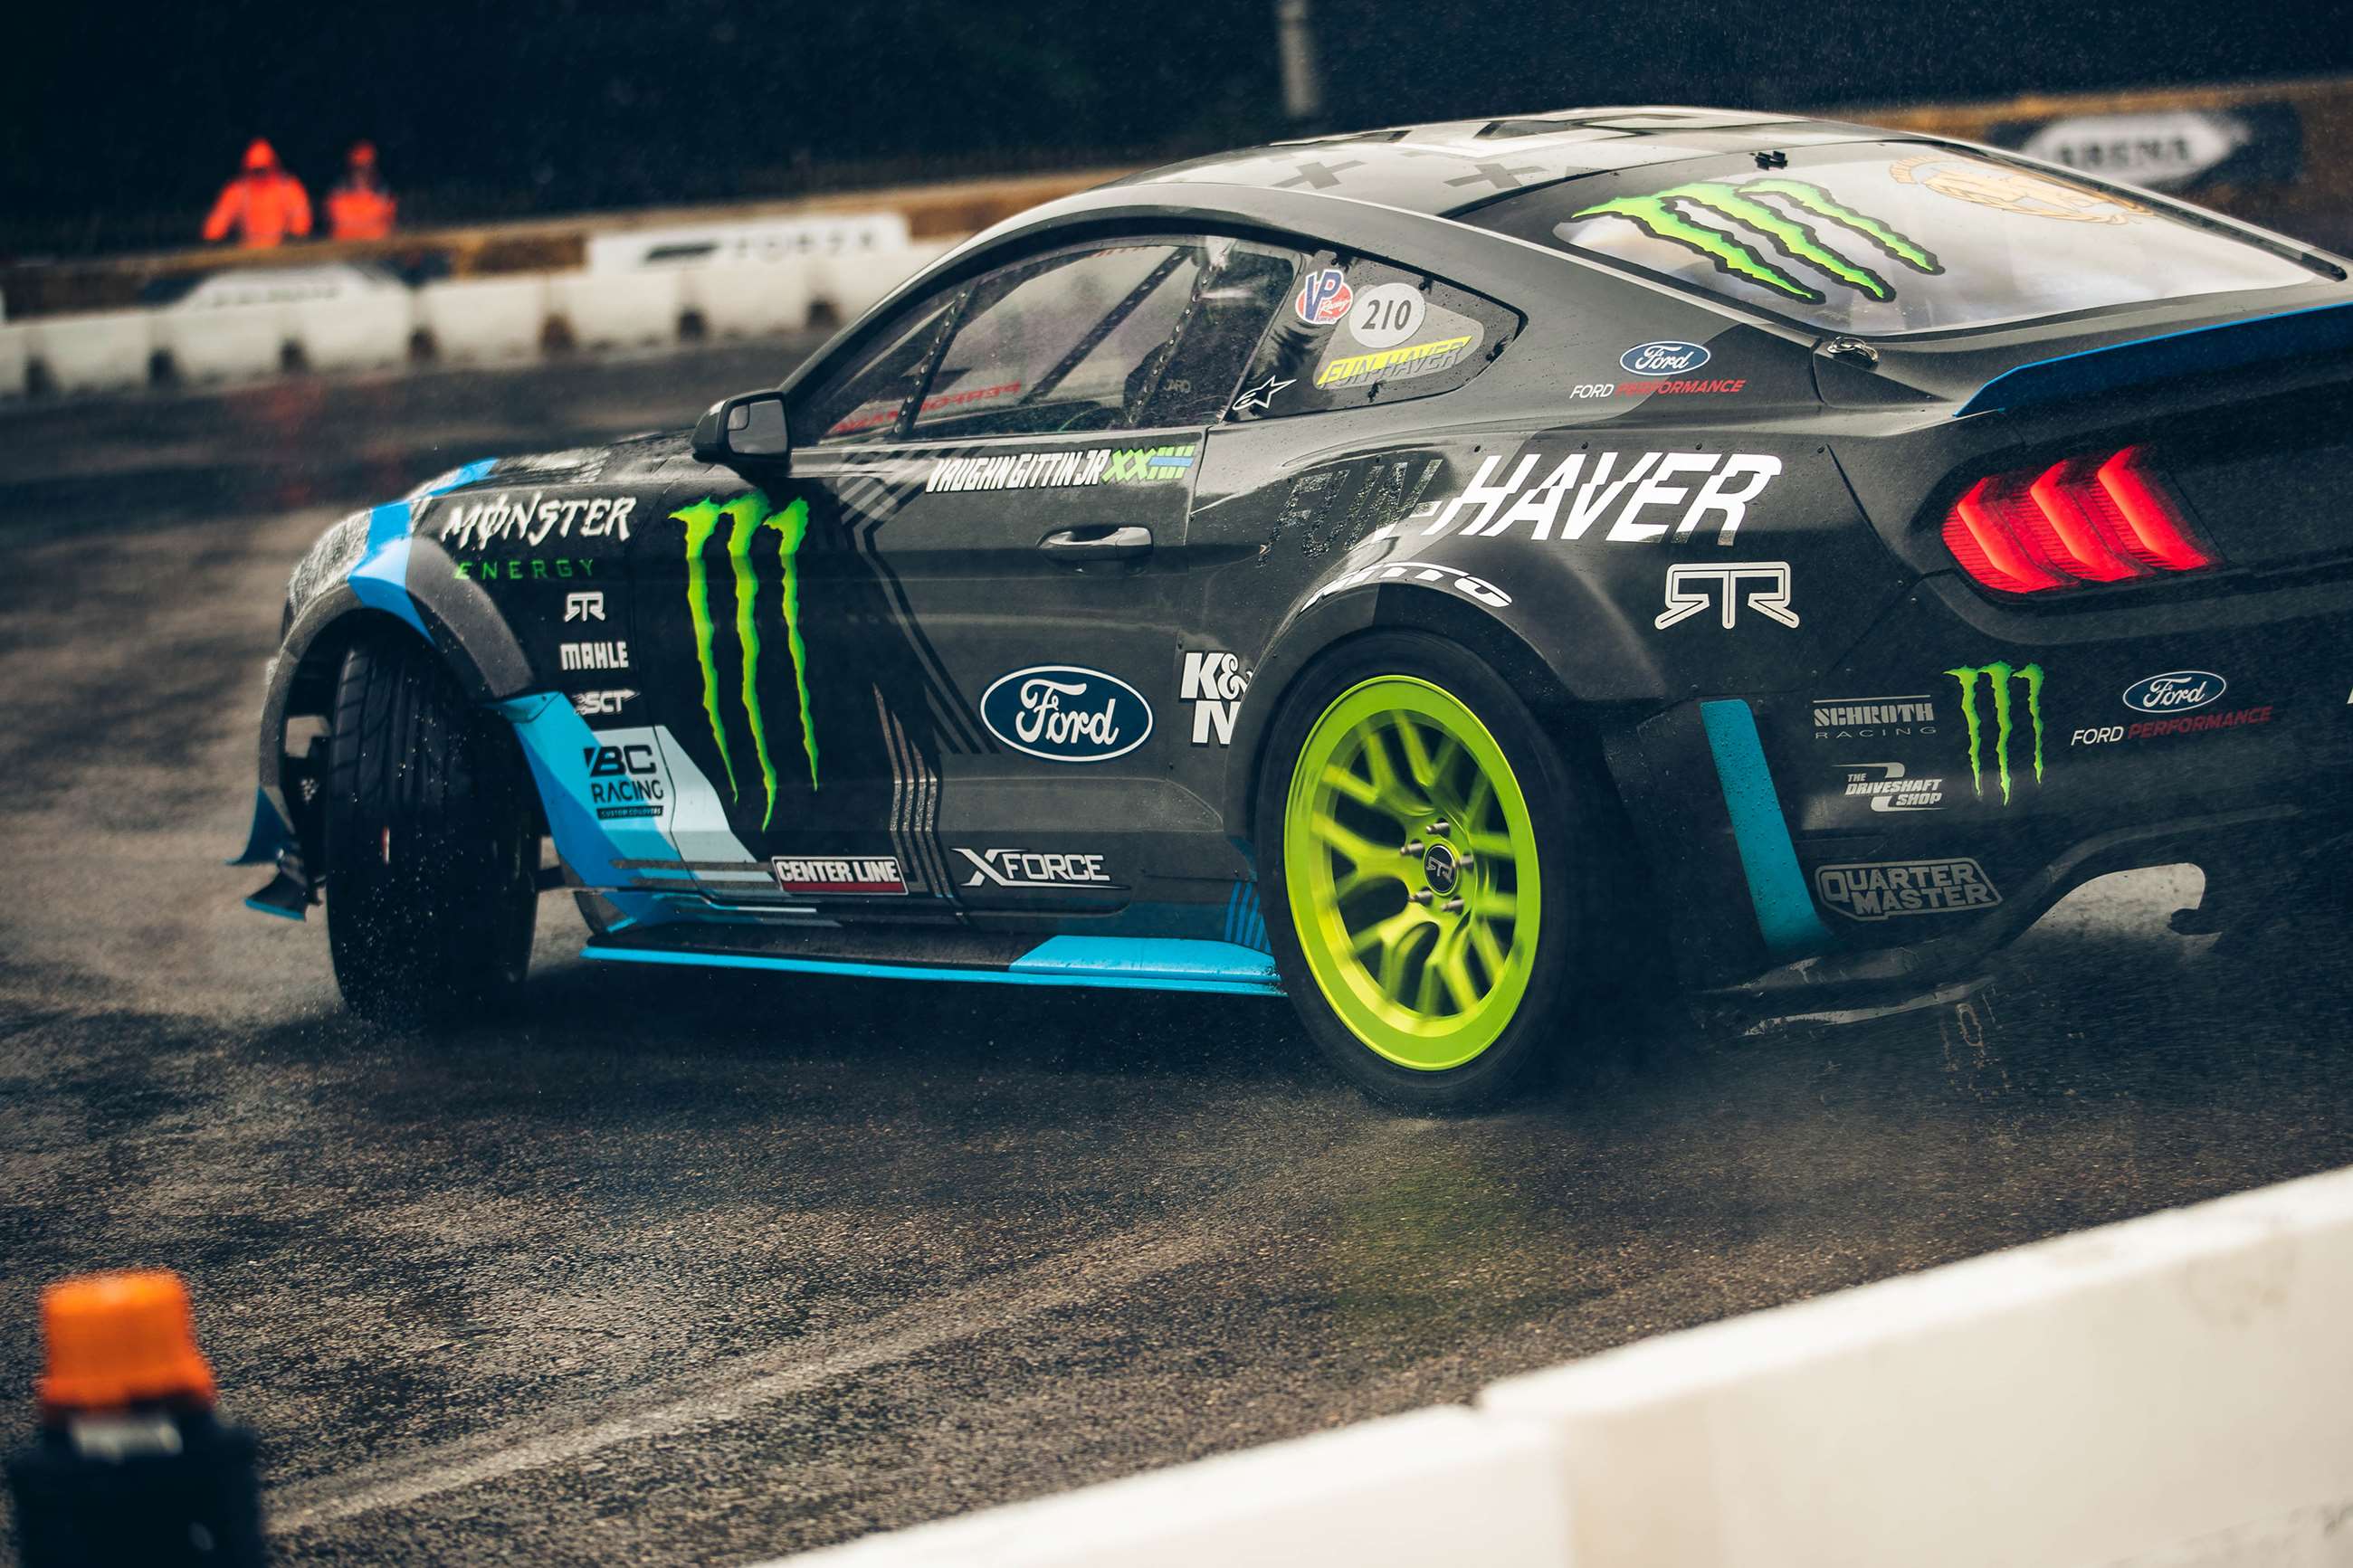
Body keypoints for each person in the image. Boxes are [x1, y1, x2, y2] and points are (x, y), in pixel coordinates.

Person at [202, 139, 312, 249]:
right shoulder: (238, 191)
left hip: (282, 249)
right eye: (256, 170)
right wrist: (213, 237)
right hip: (248, 250)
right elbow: (221, 217)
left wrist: (297, 235)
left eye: (263, 169)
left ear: (273, 165)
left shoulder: (288, 188)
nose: (260, 174)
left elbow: (301, 216)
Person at [327, 141, 397, 241]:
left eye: (367, 169)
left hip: (378, 248)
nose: (361, 174)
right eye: (358, 169)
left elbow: (389, 228)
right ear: (349, 170)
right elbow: (339, 228)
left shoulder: (385, 196)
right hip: (345, 248)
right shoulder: (337, 196)